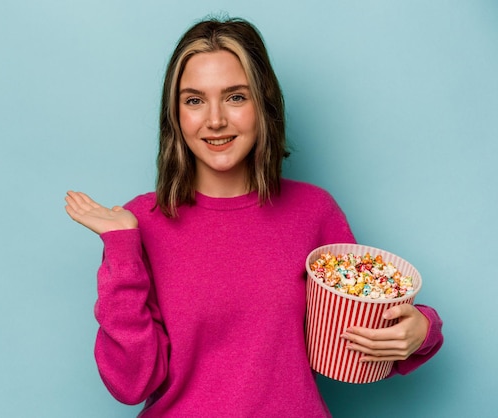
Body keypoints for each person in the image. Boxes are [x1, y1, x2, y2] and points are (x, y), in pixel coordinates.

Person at [65, 16, 443, 417]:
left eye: (235, 97)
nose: (215, 120)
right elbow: (131, 383)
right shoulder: (140, 222)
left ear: (263, 103)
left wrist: (422, 329)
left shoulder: (314, 212)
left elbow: (357, 341)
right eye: (194, 100)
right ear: (175, 115)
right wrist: (123, 250)